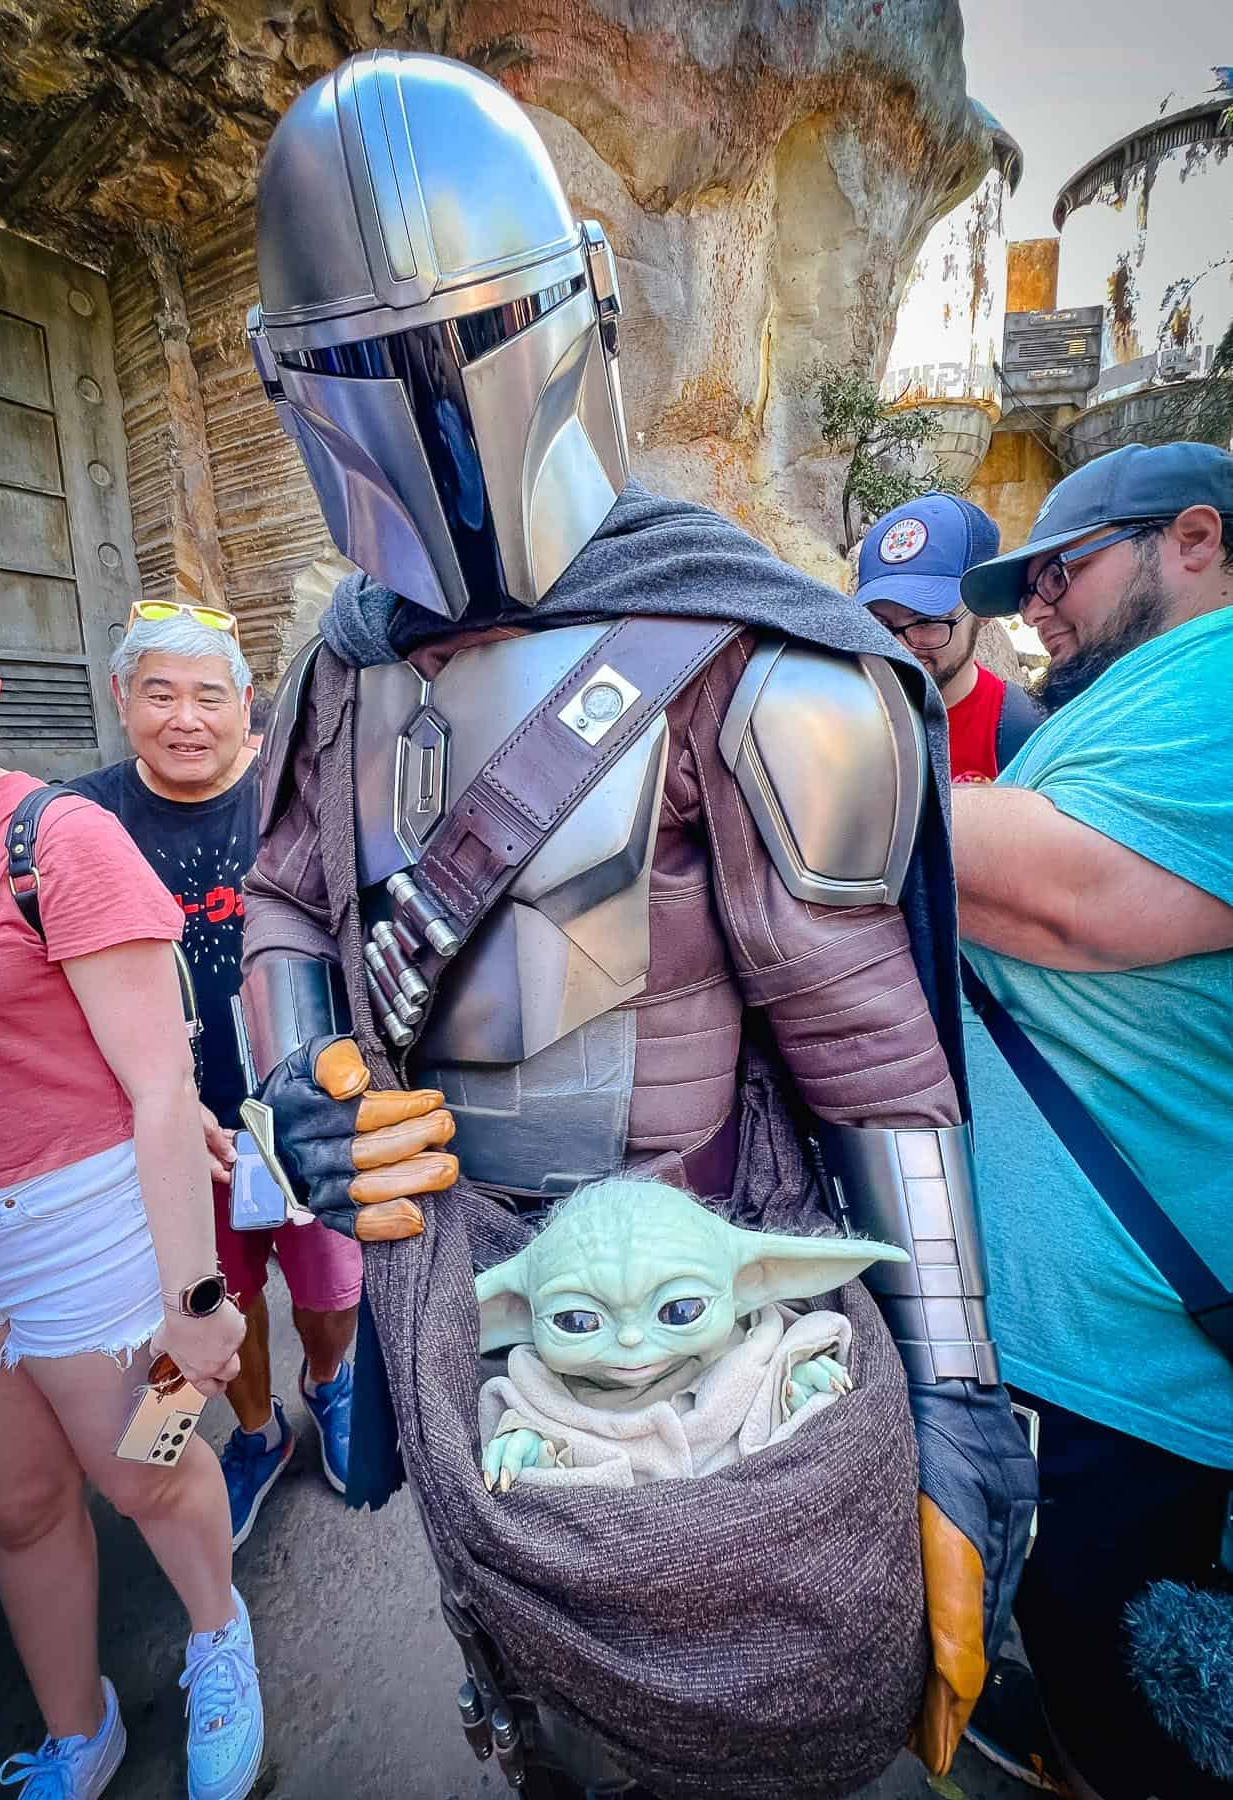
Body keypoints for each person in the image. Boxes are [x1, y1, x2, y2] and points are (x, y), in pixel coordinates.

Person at [237, 49, 1035, 1781]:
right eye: (363, 371)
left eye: (465, 344)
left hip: (708, 1296)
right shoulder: (337, 676)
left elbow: (877, 1070)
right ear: (290, 388)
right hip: (449, 1292)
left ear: (581, 303)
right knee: (518, 1680)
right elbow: (287, 909)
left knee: (751, 1716)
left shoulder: (758, 672)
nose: (430, 412)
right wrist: (308, 1091)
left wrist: (957, 1423)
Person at [0, 489, 263, 1800]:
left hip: (92, 1237)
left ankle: (220, 1634)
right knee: (19, 1509)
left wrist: (198, 1304)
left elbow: (165, 1094)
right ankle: (76, 1730)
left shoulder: (57, 836)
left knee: (153, 1468)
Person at [950, 442, 1233, 1800]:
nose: (1038, 604)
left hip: (1149, 1377)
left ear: (1193, 538)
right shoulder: (1140, 693)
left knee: (1151, 1726)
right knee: (1090, 1686)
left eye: (1064, 566)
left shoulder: (1220, 671)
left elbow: (1079, 900)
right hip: (1092, 1361)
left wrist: (807, 760)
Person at [69, 606, 362, 1546]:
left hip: (304, 1109)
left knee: (329, 1287)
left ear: (247, 705)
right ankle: (255, 1430)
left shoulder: (302, 795)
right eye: (159, 693)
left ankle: (332, 1385)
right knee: (215, 1299)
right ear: (122, 699)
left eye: (208, 696)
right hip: (173, 1126)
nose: (184, 718)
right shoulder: (80, 821)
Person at [855, 493, 1042, 782]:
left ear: (983, 606)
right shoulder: (841, 713)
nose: (899, 648)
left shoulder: (1019, 737)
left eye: (926, 622)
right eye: (879, 623)